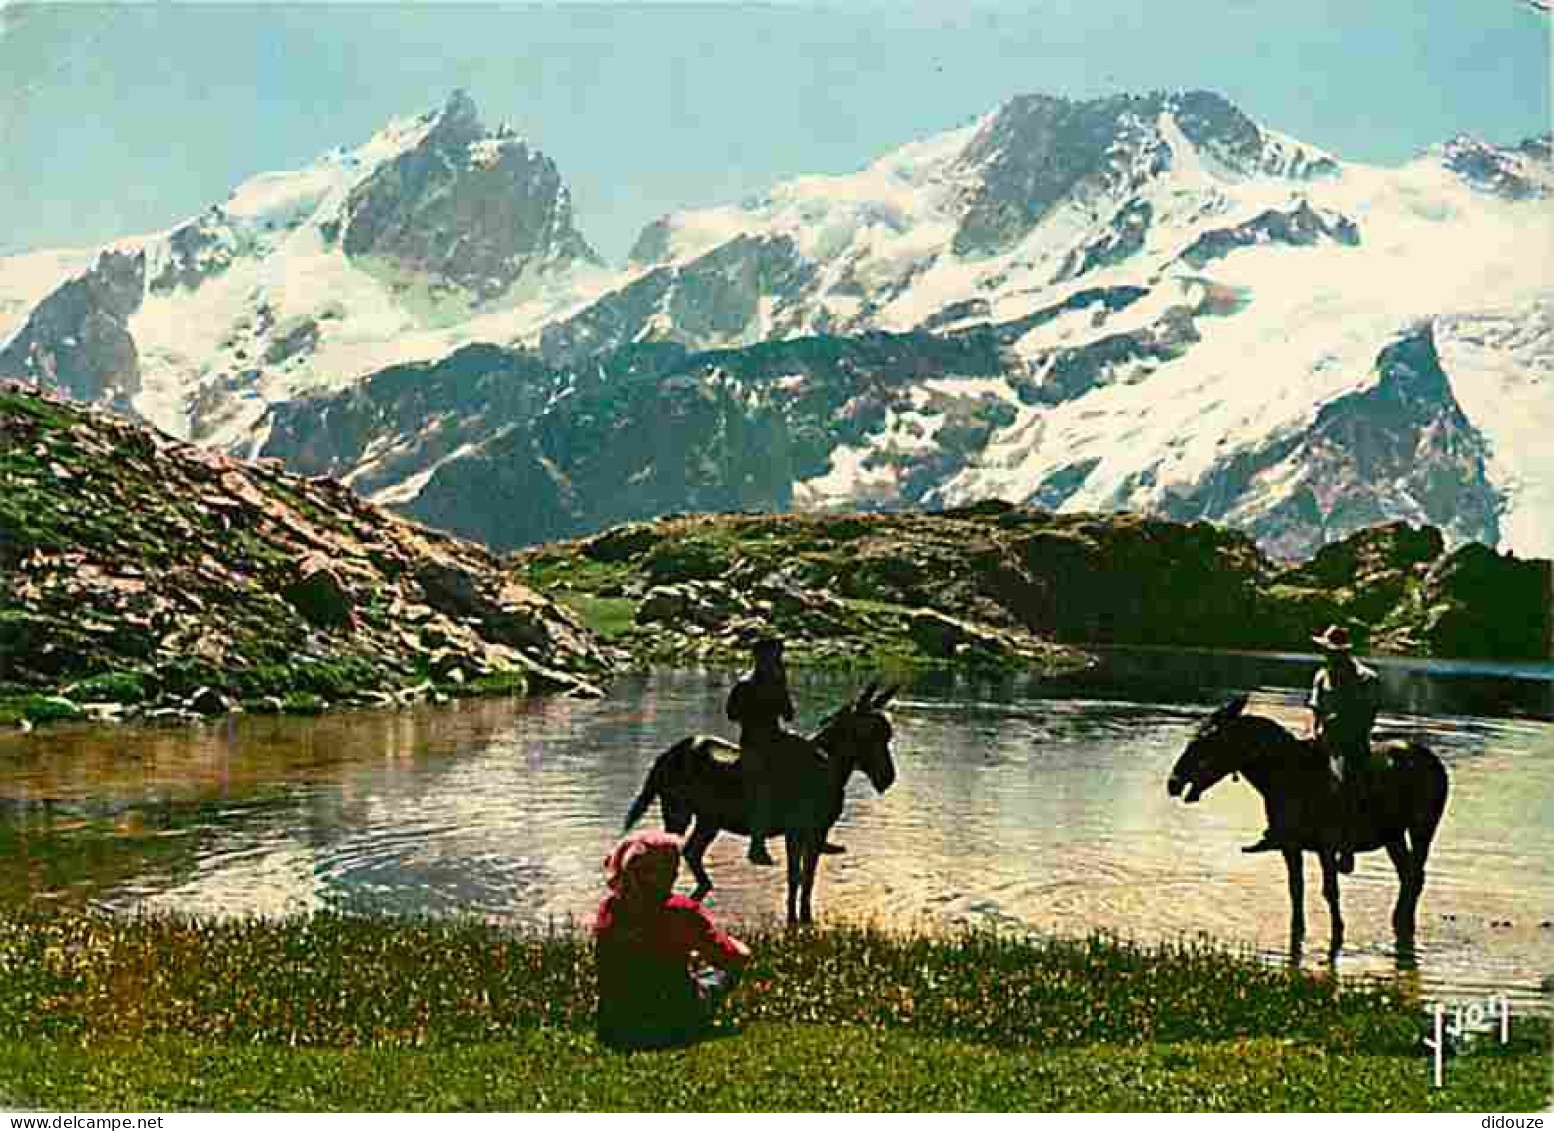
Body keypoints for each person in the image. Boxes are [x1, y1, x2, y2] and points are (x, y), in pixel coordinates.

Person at [593, 830, 750, 1050]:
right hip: (670, 1025)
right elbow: (732, 958)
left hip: (614, 1025)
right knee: (721, 974)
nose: (675, 874)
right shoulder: (680, 910)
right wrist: (739, 946)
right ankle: (698, 1020)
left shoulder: (609, 908)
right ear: (652, 872)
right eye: (671, 867)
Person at [1243, 624, 1379, 873]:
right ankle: (1279, 829)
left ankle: (1346, 846)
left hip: (1352, 742)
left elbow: (1368, 715)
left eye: (1333, 651)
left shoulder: (1366, 679)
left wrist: (1343, 723)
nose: (1329, 656)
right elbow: (1315, 709)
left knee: (1344, 777)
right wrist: (1313, 731)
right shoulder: (1321, 676)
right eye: (1327, 651)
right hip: (1323, 739)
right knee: (1285, 773)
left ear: (1344, 652)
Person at [725, 637, 843, 865]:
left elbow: (788, 714)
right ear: (759, 659)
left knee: (817, 760)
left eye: (777, 657)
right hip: (754, 743)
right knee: (762, 782)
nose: (776, 661)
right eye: (772, 657)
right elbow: (732, 714)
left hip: (776, 738)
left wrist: (782, 692)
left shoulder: (775, 682)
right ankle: (756, 844)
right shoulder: (745, 684)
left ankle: (818, 832)